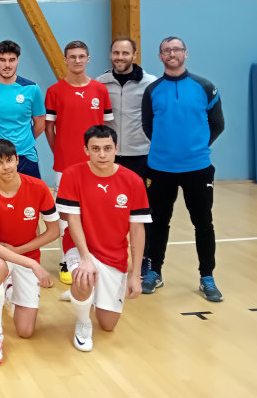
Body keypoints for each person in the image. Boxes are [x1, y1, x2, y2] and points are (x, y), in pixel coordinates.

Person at [141, 36, 225, 302]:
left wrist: (195, 147)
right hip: (159, 169)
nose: (171, 54)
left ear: (185, 53)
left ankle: (207, 277)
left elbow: (218, 124)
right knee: (158, 223)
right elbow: (147, 126)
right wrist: (168, 148)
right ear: (160, 56)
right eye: (166, 50)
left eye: (176, 49)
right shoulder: (152, 90)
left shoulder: (205, 87)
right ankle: (154, 272)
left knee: (203, 223)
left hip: (198, 168)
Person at [55, 125, 150, 352]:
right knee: (83, 276)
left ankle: (84, 293)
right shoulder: (72, 174)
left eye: (107, 148)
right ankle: (83, 321)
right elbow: (72, 220)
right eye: (95, 148)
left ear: (116, 148)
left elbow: (137, 230)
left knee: (108, 325)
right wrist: (85, 258)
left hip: (114, 256)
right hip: (80, 247)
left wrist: (135, 275)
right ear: (86, 150)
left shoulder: (133, 181)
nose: (102, 154)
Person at [0, 139, 59, 364]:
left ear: (18, 159)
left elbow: (54, 231)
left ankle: (9, 291)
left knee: (25, 331)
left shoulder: (38, 187)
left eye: (9, 160)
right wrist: (32, 264)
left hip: (24, 253)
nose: (6, 167)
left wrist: (20, 253)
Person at [45, 40, 113, 285]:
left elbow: (107, 128)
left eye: (81, 56)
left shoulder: (100, 90)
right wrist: (60, 152)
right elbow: (49, 129)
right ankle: (67, 260)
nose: (76, 60)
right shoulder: (54, 91)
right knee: (66, 215)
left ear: (88, 59)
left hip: (97, 167)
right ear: (65, 60)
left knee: (95, 214)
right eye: (72, 56)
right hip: (65, 166)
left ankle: (94, 258)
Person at [96, 37, 157, 276]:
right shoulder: (101, 83)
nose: (120, 57)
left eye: (125, 53)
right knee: (108, 210)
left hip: (141, 156)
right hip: (110, 158)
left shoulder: (150, 83)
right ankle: (107, 258)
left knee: (142, 212)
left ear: (134, 54)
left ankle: (145, 259)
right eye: (116, 53)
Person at [0, 40, 45, 180]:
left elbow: (40, 123)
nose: (7, 65)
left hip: (26, 156)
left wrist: (23, 141)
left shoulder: (32, 89)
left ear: (18, 60)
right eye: (2, 60)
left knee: (31, 194)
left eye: (12, 60)